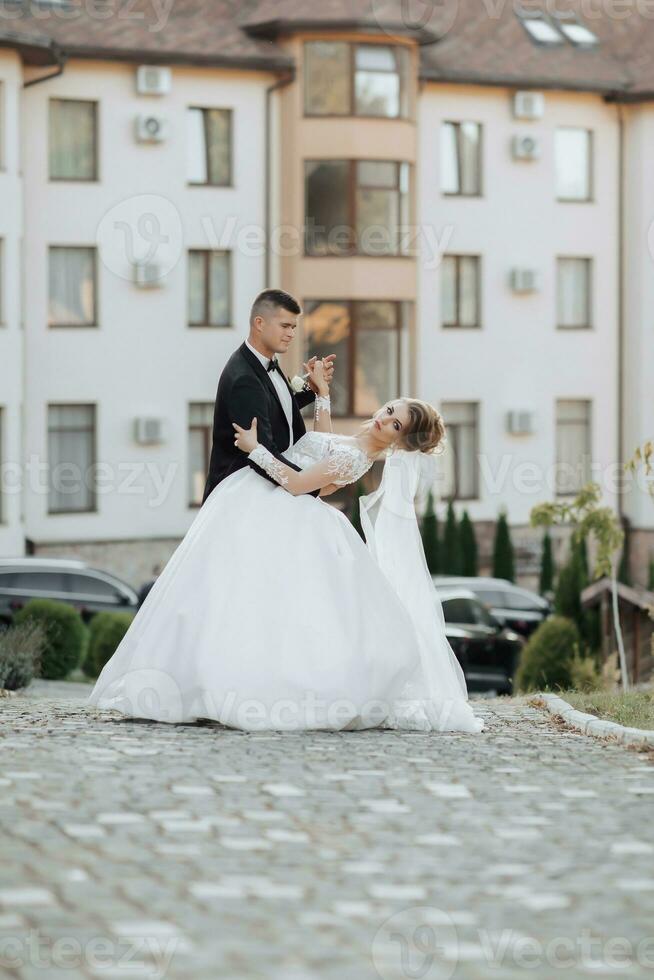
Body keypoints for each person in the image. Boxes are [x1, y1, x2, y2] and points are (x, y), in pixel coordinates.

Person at [87, 290, 484, 735]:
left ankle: (236, 685)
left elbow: (300, 482)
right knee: (248, 600)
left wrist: (256, 448)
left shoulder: (360, 458)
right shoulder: (354, 445)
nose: (382, 418)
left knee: (262, 605)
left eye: (394, 424)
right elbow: (321, 444)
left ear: (400, 442)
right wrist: (322, 396)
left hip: (283, 502)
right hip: (280, 504)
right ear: (261, 324)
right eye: (389, 409)